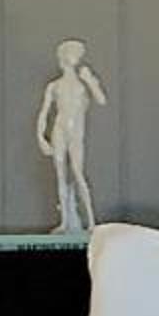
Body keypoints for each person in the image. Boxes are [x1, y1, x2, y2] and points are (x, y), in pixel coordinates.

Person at [35, 38, 108, 236]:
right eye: (71, 52)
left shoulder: (83, 84)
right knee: (60, 175)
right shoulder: (54, 86)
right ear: (64, 57)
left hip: (76, 132)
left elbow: (101, 100)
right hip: (59, 130)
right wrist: (41, 137)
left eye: (76, 53)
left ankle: (91, 221)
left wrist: (90, 80)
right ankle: (65, 222)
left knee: (77, 172)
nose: (75, 56)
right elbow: (44, 112)